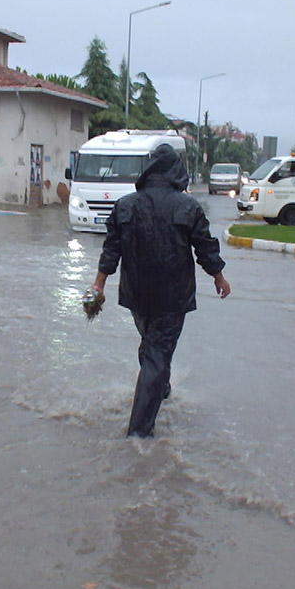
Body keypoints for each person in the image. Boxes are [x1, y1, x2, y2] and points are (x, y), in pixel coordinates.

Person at [89, 143, 230, 439]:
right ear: (176, 171)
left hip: (137, 296)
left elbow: (110, 251)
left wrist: (99, 283)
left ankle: (159, 384)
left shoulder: (126, 205)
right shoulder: (187, 206)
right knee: (156, 354)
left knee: (152, 345)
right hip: (172, 298)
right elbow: (205, 247)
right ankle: (139, 433)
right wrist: (219, 277)